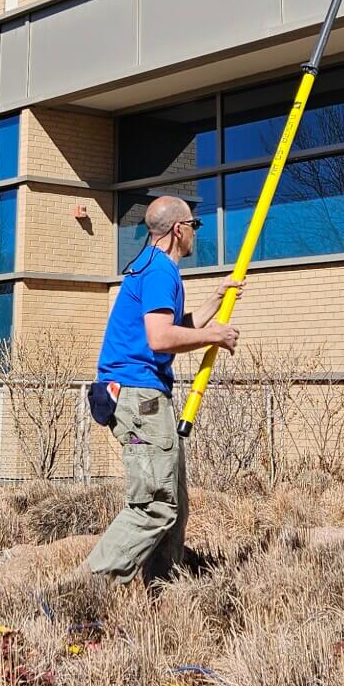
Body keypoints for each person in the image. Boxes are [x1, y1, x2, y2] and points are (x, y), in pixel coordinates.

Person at [86, 194, 240, 586]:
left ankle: (164, 589)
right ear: (178, 229)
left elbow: (173, 324)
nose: (195, 233)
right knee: (155, 506)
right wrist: (213, 337)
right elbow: (159, 338)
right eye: (195, 225)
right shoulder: (159, 272)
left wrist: (216, 301)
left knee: (175, 505)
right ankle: (85, 589)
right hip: (141, 399)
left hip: (144, 397)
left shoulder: (152, 267)